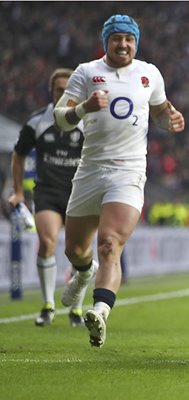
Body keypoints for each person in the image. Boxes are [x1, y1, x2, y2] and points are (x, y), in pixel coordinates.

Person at [53, 14, 185, 347]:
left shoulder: (149, 73)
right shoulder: (87, 73)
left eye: (129, 39)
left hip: (128, 171)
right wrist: (83, 108)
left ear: (135, 42)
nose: (123, 44)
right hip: (90, 170)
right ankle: (84, 272)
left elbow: (160, 109)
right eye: (117, 39)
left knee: (110, 242)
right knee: (74, 249)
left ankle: (99, 310)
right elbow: (61, 118)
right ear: (106, 42)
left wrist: (171, 119)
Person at [8, 68, 86, 327]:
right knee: (48, 241)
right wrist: (19, 191)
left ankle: (76, 308)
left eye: (68, 89)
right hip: (48, 192)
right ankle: (48, 305)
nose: (63, 94)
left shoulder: (88, 121)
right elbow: (18, 155)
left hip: (79, 192)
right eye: (58, 90)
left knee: (79, 252)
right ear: (51, 91)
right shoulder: (37, 121)